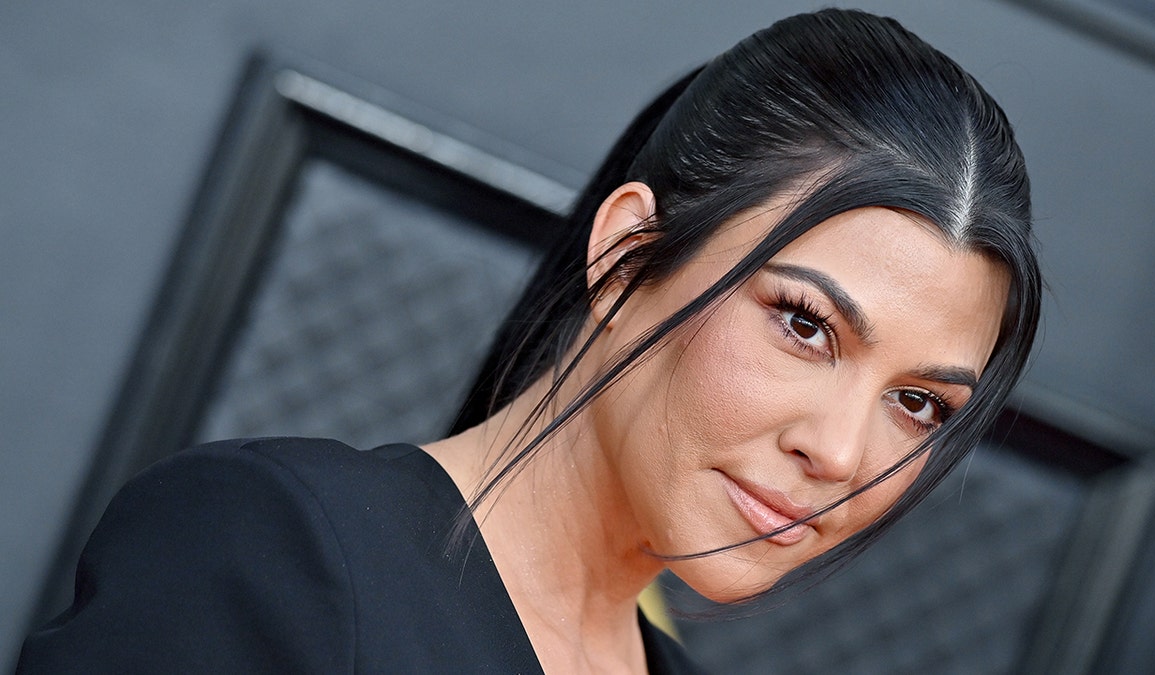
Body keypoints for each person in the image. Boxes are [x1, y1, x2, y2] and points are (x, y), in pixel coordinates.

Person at [18, 8, 1040, 674]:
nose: (847, 452)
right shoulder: (273, 552)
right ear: (630, 254)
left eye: (920, 404)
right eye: (804, 324)